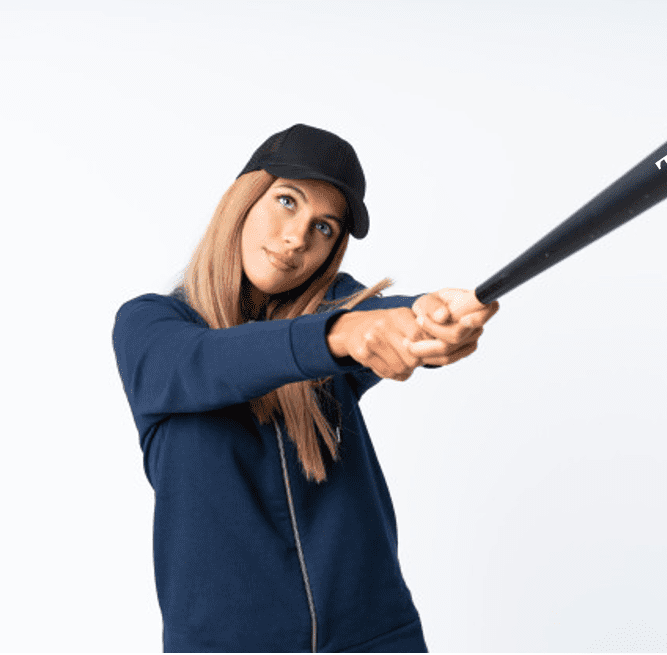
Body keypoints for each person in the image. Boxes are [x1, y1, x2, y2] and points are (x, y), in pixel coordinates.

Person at [112, 124, 499, 653]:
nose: (297, 237)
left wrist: (433, 318)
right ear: (242, 199)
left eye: (324, 227)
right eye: (286, 201)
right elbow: (202, 362)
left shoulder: (333, 310)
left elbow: (390, 315)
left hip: (379, 638)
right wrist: (338, 334)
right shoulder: (151, 327)